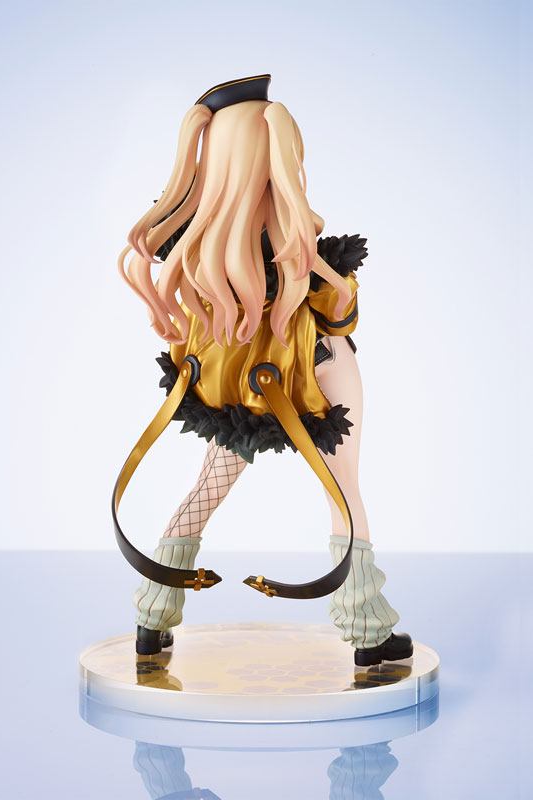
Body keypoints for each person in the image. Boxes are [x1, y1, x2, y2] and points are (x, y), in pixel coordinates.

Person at [114, 74, 412, 667]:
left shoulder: (201, 257)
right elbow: (340, 317)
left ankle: (152, 617)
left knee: (206, 489)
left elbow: (195, 337)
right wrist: (332, 279)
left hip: (244, 393)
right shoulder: (299, 251)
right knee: (343, 494)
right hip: (320, 375)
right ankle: (367, 632)